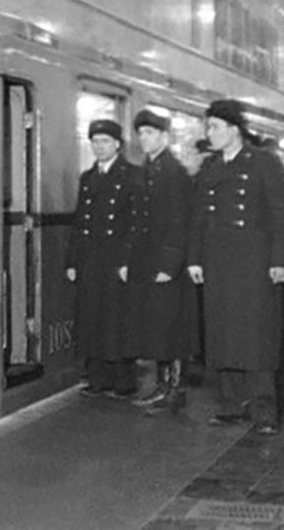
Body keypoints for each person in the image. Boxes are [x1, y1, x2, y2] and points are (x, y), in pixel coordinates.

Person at [187, 98, 284, 435]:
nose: (209, 133)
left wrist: (280, 260)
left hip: (255, 262)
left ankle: (264, 410)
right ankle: (232, 404)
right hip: (218, 261)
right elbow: (199, 217)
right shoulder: (211, 167)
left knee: (256, 334)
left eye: (215, 127)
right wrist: (194, 258)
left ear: (234, 130)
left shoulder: (263, 162)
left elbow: (281, 213)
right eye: (208, 127)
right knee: (223, 333)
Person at [66, 118, 143, 397]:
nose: (99, 146)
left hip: (116, 259)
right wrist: (72, 261)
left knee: (117, 319)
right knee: (92, 317)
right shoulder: (88, 178)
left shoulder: (133, 176)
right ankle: (98, 377)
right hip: (90, 257)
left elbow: (136, 224)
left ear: (117, 145)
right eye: (95, 141)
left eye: (105, 141)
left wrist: (128, 261)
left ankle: (123, 380)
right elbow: (80, 223)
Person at [126, 109, 195, 414]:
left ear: (164, 137)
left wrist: (170, 264)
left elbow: (180, 222)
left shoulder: (173, 173)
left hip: (166, 265)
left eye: (150, 133)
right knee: (156, 327)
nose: (144, 138)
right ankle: (162, 386)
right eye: (141, 133)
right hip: (147, 261)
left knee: (170, 329)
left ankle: (174, 390)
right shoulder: (148, 170)